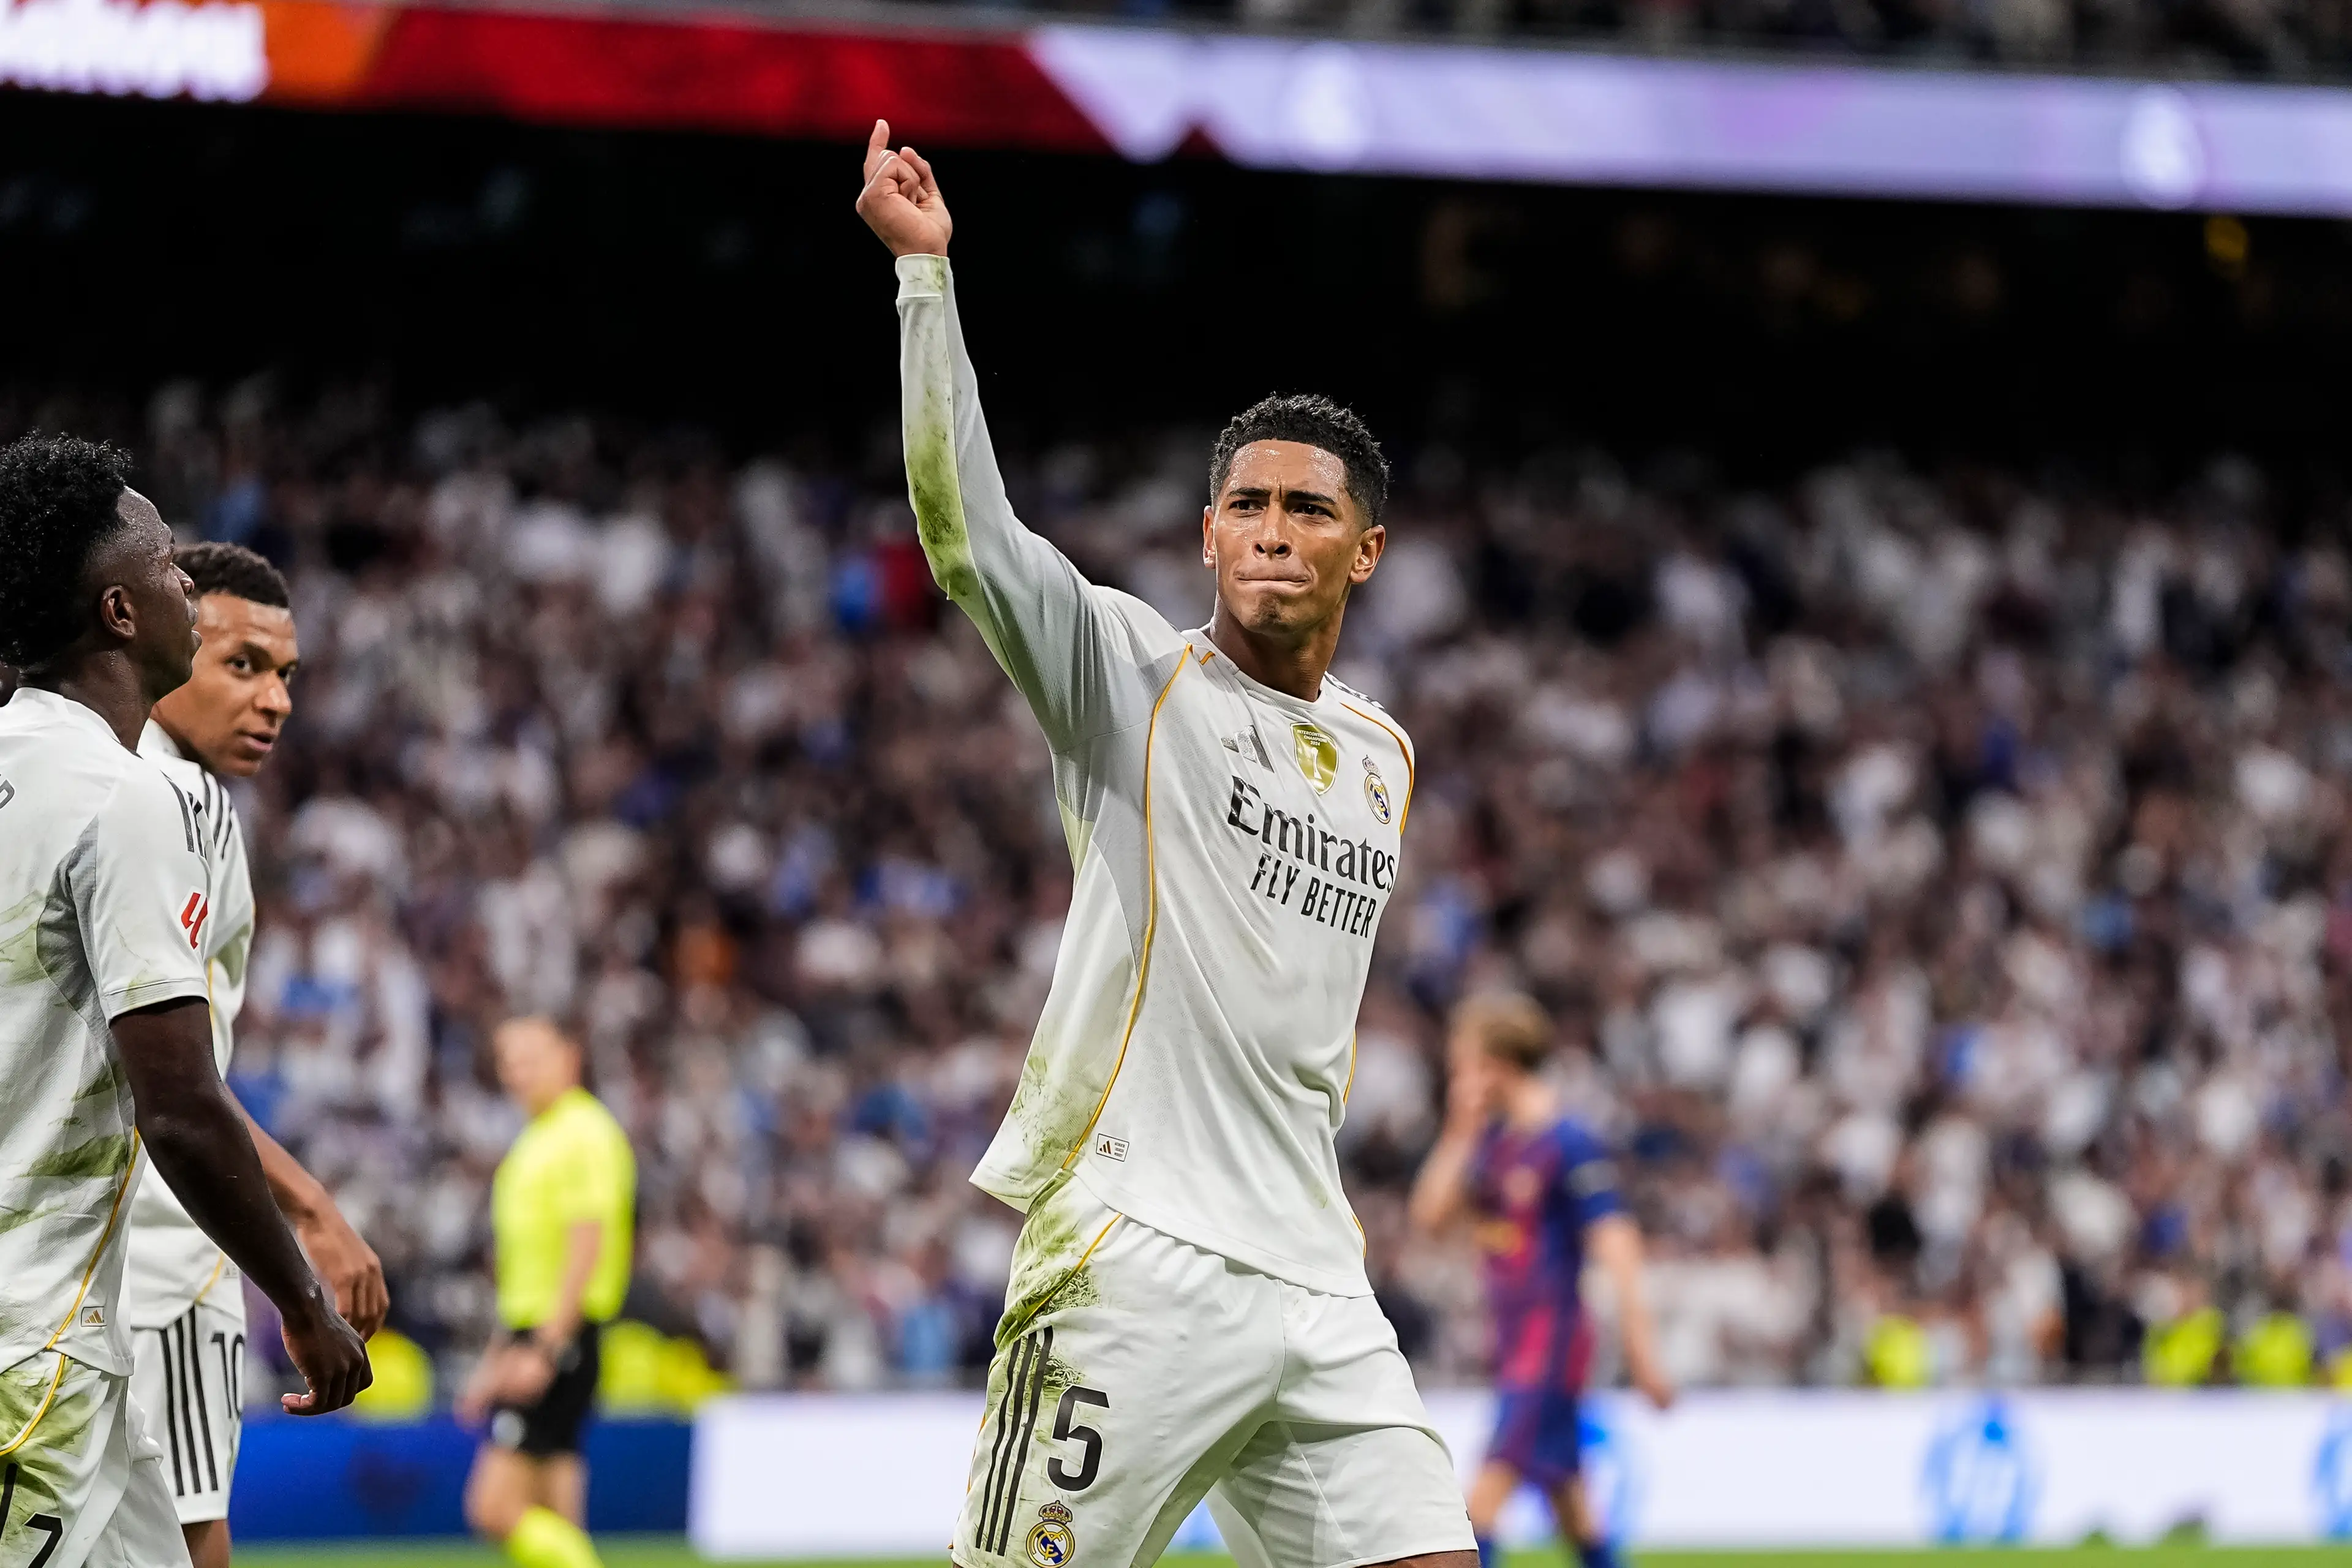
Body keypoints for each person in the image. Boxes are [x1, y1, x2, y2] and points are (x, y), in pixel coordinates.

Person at [856, 121, 1476, 1568]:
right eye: (1245, 506)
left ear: (1362, 551)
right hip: (1135, 1253)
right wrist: (926, 283)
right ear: (1206, 534)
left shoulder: (1384, 756)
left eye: (1305, 509)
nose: (1270, 530)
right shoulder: (1130, 677)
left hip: (1317, 1277)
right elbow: (969, 540)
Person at [0, 434, 371, 1568]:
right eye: (167, 568)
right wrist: (300, 1296)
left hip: (81, 1340)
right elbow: (179, 1102)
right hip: (38, 1337)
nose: (191, 599)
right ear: (118, 612)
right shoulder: (129, 801)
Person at [123, 541, 390, 1568]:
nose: (275, 701)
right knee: (199, 1549)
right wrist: (312, 1218)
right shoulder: (157, 804)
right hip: (154, 1260)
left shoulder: (192, 806)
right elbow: (177, 1087)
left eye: (286, 677)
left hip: (96, 1260)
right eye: (243, 665)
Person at [1408, 994, 1675, 1568]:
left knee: (1474, 1512)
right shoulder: (1494, 1144)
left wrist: (1641, 1351)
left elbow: (1619, 1247)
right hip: (1511, 1339)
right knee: (1573, 1506)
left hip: (1549, 1341)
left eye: (1464, 1064)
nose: (1457, 1078)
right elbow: (1428, 1218)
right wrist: (1459, 1129)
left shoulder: (1568, 1143)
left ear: (1496, 1065)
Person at [457, 1018, 636, 1568]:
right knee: (558, 1515)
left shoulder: (583, 1132)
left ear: (570, 1057)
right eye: (509, 1060)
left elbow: (589, 1242)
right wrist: (499, 1353)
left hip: (558, 1332)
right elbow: (524, 1270)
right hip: (543, 1328)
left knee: (492, 1507)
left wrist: (546, 1347)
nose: (517, 1073)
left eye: (531, 1057)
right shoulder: (541, 1136)